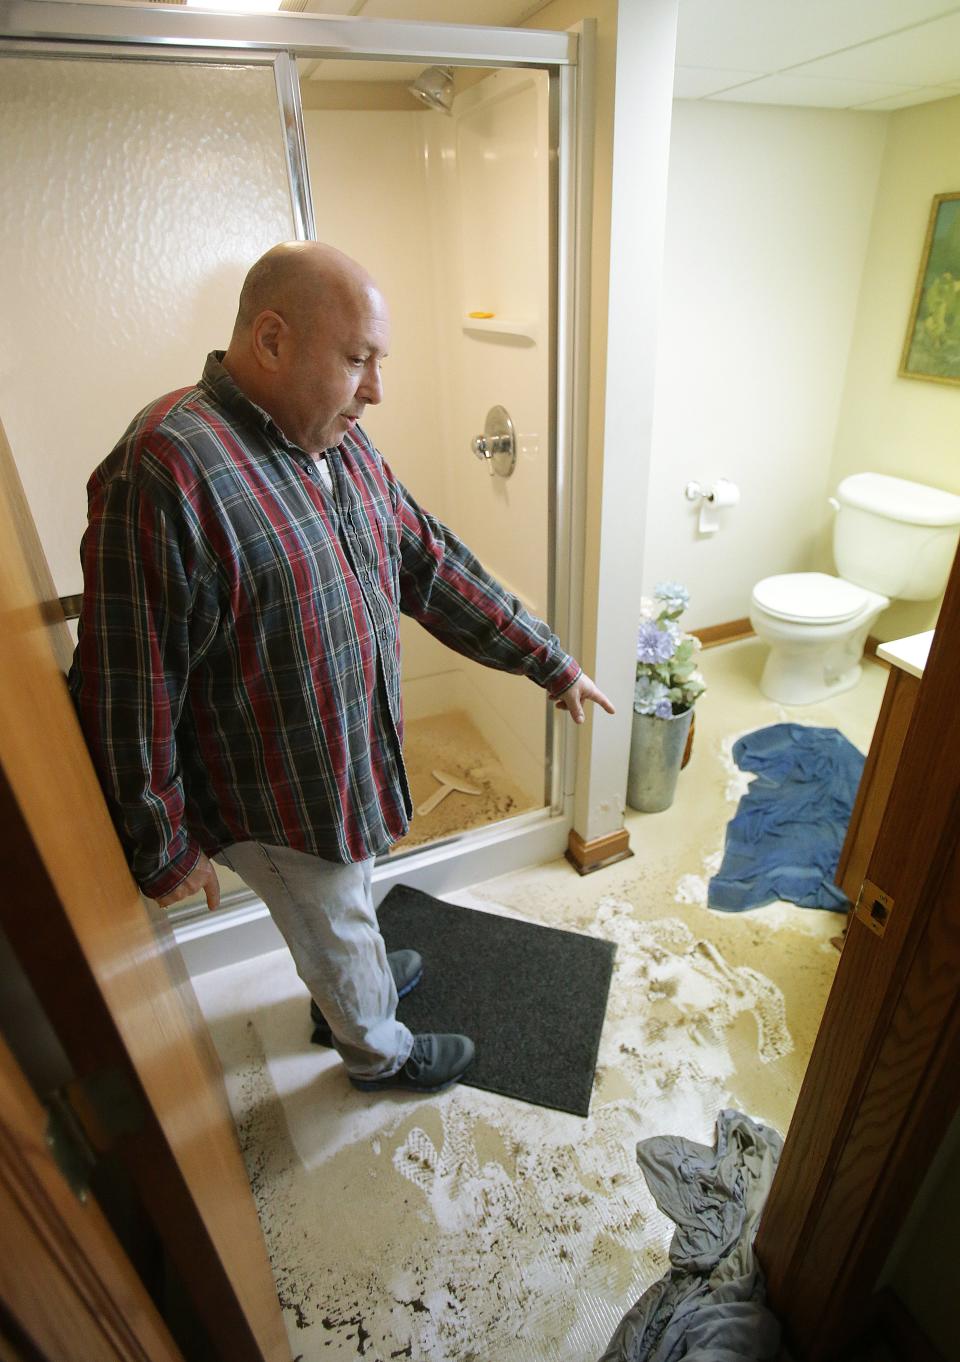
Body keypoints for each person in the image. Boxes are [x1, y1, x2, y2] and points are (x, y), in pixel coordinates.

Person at [69, 241, 614, 1095]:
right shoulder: (167, 470)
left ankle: (346, 981)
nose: (377, 389)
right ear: (273, 341)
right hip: (275, 796)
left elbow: (428, 562)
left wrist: (547, 659)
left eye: (379, 361)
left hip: (345, 760)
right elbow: (129, 688)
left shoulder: (337, 443)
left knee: (344, 907)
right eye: (357, 360)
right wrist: (162, 844)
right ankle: (374, 1049)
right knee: (332, 922)